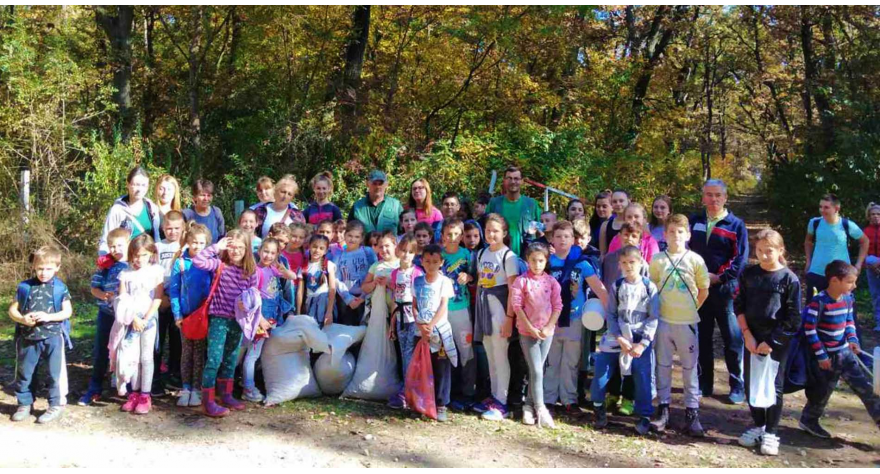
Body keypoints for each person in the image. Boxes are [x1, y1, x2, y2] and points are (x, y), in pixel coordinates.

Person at [735, 229, 801, 456]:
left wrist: (771, 341)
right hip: (751, 338)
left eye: (769, 251)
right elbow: (739, 305)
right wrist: (747, 335)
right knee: (751, 383)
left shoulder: (789, 279)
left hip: (776, 341)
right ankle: (759, 426)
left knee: (773, 385)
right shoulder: (749, 274)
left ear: (780, 251)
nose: (763, 255)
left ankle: (772, 431)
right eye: (759, 251)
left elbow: (793, 318)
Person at [799, 260, 880, 438]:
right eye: (850, 282)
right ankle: (809, 421)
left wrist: (852, 339)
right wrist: (821, 356)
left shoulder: (848, 299)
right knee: (822, 392)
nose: (854, 285)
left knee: (865, 388)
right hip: (826, 358)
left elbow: (849, 322)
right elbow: (810, 330)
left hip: (845, 354)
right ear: (834, 281)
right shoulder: (818, 302)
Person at [649, 214, 710, 436]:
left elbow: (704, 289)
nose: (676, 236)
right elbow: (652, 288)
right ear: (665, 235)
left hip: (687, 322)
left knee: (689, 368)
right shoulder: (657, 259)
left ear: (688, 235)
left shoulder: (695, 260)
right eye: (672, 232)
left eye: (680, 232)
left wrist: (693, 308)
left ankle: (692, 412)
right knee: (663, 366)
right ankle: (663, 409)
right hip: (663, 321)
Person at [689, 179, 749, 403]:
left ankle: (737, 386)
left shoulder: (735, 225)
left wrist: (719, 277)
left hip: (726, 291)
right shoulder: (694, 221)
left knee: (732, 338)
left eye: (717, 195)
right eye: (709, 195)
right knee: (702, 337)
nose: (713, 199)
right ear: (703, 197)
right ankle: (705, 384)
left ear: (725, 198)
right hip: (699, 291)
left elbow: (739, 259)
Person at [192, 230, 262, 417]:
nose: (235, 251)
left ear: (247, 249)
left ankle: (226, 394)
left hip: (237, 321)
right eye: (232, 247)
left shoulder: (251, 271)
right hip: (219, 318)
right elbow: (198, 261)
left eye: (240, 247)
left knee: (231, 358)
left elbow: (254, 296)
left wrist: (246, 304)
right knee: (214, 358)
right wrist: (217, 247)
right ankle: (208, 401)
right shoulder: (220, 265)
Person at [592, 245, 660, 435]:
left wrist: (643, 343)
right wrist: (619, 336)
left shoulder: (649, 287)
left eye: (632, 262)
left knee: (643, 376)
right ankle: (598, 407)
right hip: (617, 335)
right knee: (602, 370)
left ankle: (644, 416)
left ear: (640, 263)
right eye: (624, 263)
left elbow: (653, 317)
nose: (628, 266)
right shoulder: (617, 285)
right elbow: (611, 314)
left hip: (640, 339)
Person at [544, 220, 608, 412]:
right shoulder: (546, 263)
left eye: (567, 236)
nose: (562, 240)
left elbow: (599, 288)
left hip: (574, 317)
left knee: (571, 361)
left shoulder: (582, 264)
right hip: (550, 320)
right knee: (552, 359)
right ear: (552, 240)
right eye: (558, 236)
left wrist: (610, 313)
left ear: (573, 239)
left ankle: (568, 398)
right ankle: (548, 397)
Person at [9, 246, 73, 424]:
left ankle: (55, 405)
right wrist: (22, 319)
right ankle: (24, 404)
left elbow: (67, 312)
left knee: (54, 373)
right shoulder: (24, 287)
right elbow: (12, 310)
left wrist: (48, 317)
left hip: (53, 337)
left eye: (49, 269)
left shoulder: (60, 288)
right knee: (25, 372)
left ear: (57, 267)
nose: (44, 273)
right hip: (28, 337)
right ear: (34, 267)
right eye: (40, 268)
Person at [472, 214, 520, 421]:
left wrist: (509, 318)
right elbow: (482, 281)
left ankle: (503, 401)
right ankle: (493, 395)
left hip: (500, 308)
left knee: (501, 356)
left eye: (496, 231)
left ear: (504, 233)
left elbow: (513, 290)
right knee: (490, 353)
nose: (491, 234)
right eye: (488, 230)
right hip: (484, 308)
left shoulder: (508, 256)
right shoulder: (482, 253)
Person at [109, 234, 164, 415]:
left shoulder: (156, 271)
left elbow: (157, 298)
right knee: (132, 356)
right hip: (131, 319)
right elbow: (122, 298)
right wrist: (133, 318)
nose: (139, 259)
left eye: (144, 255)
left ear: (151, 254)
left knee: (146, 358)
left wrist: (146, 319)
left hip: (149, 320)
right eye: (136, 255)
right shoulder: (125, 274)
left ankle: (145, 395)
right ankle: (133, 392)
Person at [510, 242, 562, 428]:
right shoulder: (521, 281)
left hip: (546, 332)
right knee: (537, 370)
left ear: (546, 261)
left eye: (541, 260)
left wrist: (548, 327)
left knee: (537, 370)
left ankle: (528, 407)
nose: (537, 264)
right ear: (527, 261)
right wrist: (530, 328)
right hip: (527, 332)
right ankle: (541, 409)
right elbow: (517, 307)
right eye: (533, 260)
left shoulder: (552, 282)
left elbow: (557, 306)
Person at [242, 238, 297, 402]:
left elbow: (293, 276)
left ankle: (248, 382)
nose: (268, 255)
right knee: (252, 354)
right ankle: (248, 388)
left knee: (257, 354)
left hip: (272, 315)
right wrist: (260, 320)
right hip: (261, 318)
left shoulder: (273, 269)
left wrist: (284, 270)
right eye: (266, 251)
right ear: (259, 251)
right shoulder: (255, 271)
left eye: (273, 253)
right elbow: (252, 301)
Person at [79, 228, 130, 406]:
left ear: (128, 243)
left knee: (127, 351)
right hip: (107, 314)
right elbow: (94, 288)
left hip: (128, 317)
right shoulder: (105, 266)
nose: (116, 249)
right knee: (102, 350)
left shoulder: (134, 263)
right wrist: (103, 296)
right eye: (112, 246)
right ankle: (94, 387)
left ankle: (128, 389)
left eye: (120, 245)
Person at [412, 244, 459, 422]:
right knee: (422, 366)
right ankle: (422, 400)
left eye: (435, 262)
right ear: (422, 262)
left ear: (441, 263)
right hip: (420, 331)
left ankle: (441, 404)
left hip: (439, 332)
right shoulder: (417, 281)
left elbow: (443, 306)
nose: (431, 265)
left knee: (441, 368)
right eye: (427, 261)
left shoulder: (444, 282)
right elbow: (414, 305)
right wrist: (420, 323)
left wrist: (430, 325)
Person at [168, 224, 213, 408]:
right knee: (187, 352)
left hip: (202, 316)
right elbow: (174, 291)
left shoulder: (210, 263)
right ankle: (185, 388)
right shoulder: (180, 262)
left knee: (199, 353)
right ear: (188, 241)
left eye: (202, 243)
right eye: (194, 242)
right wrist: (177, 314)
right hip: (185, 317)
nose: (198, 246)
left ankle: (196, 389)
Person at [439, 219, 476, 411]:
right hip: (442, 311)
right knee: (444, 351)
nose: (452, 238)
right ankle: (446, 394)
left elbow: (474, 277)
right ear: (443, 235)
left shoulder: (467, 255)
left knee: (466, 349)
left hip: (461, 308)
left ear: (461, 236)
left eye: (456, 234)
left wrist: (468, 277)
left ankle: (468, 393)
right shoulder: (438, 256)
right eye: (448, 234)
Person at [804, 193, 870, 299]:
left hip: (841, 276)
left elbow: (865, 241)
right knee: (814, 310)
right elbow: (808, 241)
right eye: (820, 207)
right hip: (816, 272)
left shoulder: (847, 225)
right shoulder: (814, 223)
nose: (822, 210)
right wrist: (808, 261)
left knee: (843, 310)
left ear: (836, 208)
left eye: (826, 207)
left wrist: (858, 264)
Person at [387, 234, 423, 409]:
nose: (406, 255)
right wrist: (392, 323)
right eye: (404, 250)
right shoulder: (395, 273)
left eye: (410, 252)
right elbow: (395, 298)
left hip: (414, 317)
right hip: (400, 316)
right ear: (398, 251)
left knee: (410, 353)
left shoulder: (417, 273)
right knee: (403, 353)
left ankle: (409, 390)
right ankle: (406, 388)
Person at [153, 210, 185, 396]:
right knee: (157, 340)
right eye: (169, 228)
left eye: (176, 228)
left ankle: (175, 376)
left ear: (182, 228)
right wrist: (160, 296)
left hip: (178, 299)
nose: (172, 232)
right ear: (163, 228)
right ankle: (154, 379)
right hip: (160, 297)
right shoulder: (157, 246)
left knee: (177, 341)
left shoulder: (185, 246)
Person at [98, 167, 161, 256]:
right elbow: (106, 239)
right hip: (124, 261)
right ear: (128, 184)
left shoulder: (152, 208)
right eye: (136, 184)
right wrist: (105, 262)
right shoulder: (117, 210)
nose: (139, 189)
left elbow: (156, 238)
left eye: (143, 185)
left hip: (146, 260)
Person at [486, 165, 542, 257]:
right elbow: (486, 229)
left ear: (522, 181)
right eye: (509, 178)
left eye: (516, 178)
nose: (513, 182)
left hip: (526, 257)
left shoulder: (531, 204)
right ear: (504, 181)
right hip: (498, 256)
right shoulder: (494, 203)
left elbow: (540, 231)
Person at [336, 220, 378, 326]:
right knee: (347, 327)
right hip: (346, 299)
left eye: (357, 237)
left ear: (362, 238)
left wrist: (363, 297)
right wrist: (348, 299)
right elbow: (337, 279)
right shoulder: (338, 256)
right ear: (344, 235)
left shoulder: (368, 252)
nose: (352, 239)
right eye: (350, 235)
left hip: (366, 296)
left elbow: (374, 273)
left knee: (365, 327)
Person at [297, 235, 338, 328]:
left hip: (324, 305)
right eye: (314, 246)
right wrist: (298, 313)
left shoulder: (328, 265)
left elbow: (332, 289)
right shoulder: (303, 267)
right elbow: (300, 292)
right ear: (309, 247)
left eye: (321, 248)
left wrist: (329, 312)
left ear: (326, 251)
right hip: (309, 304)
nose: (317, 250)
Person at [182, 179, 226, 245]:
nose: (206, 199)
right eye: (202, 195)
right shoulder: (187, 214)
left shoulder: (216, 212)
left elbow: (222, 236)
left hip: (213, 253)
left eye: (209, 195)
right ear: (194, 197)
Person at [598, 189, 631, 256]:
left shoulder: (636, 222)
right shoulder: (605, 225)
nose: (618, 204)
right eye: (615, 202)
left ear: (628, 201)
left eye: (621, 201)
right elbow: (602, 253)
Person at [864, 202, 880, 332]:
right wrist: (871, 263)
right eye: (873, 214)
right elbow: (863, 251)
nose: (876, 216)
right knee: (876, 296)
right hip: (871, 268)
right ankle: (879, 322)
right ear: (869, 216)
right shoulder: (865, 231)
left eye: (878, 214)